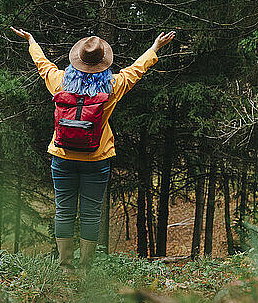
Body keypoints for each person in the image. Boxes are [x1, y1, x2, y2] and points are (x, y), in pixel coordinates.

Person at [11, 26, 175, 275]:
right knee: (90, 214)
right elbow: (135, 71)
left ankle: (66, 267)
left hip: (62, 157)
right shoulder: (111, 86)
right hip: (96, 159)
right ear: (102, 62)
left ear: (77, 60)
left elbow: (42, 65)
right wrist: (155, 48)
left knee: (64, 210)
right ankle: (85, 269)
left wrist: (31, 41)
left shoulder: (60, 82)